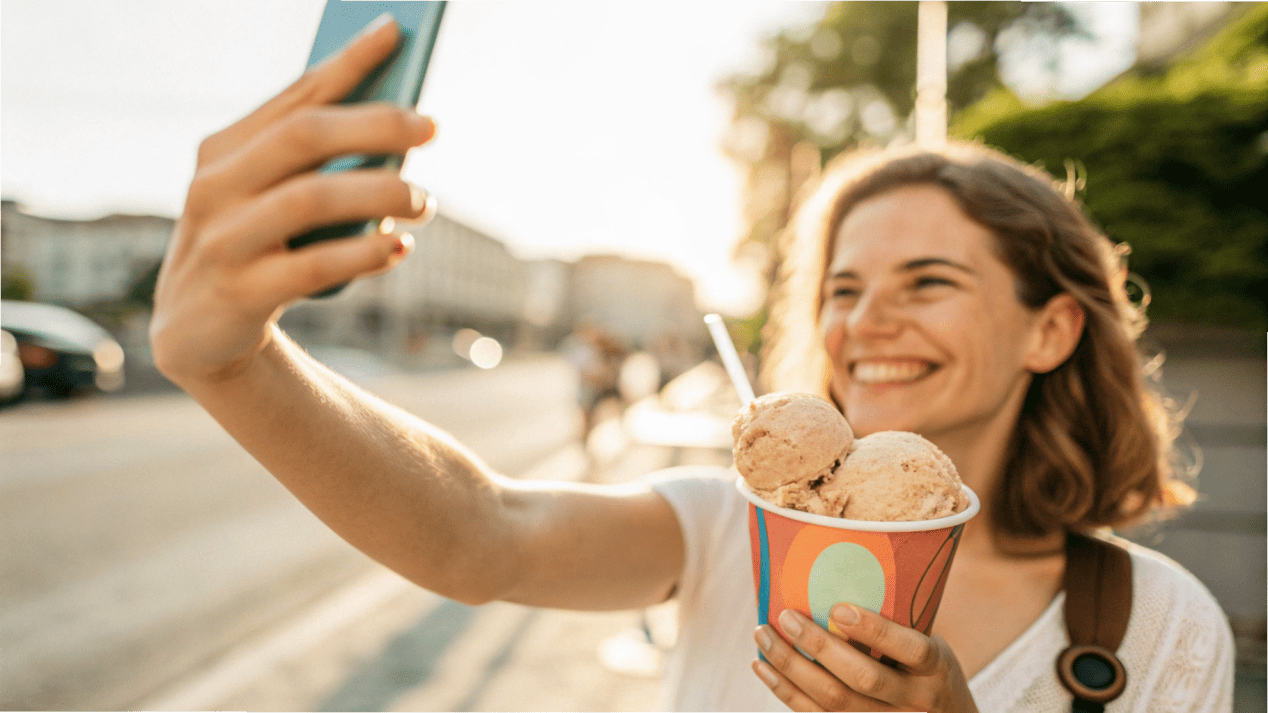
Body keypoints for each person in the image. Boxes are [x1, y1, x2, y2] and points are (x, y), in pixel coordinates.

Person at [150, 19, 1234, 712]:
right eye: (843, 287)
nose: (867, 320)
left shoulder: (1152, 628)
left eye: (929, 280)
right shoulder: (733, 533)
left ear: (1050, 329)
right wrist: (238, 362)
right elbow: (482, 533)